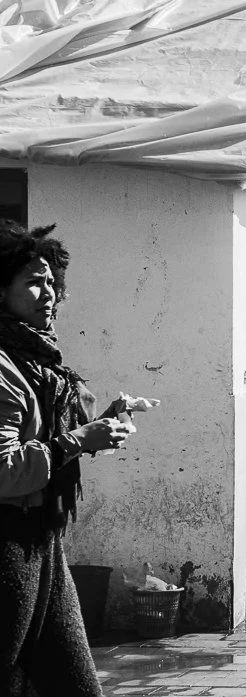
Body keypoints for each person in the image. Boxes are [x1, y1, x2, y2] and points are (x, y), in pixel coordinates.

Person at [0, 220, 137, 695]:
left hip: (42, 540)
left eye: (52, 283)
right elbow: (2, 471)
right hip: (7, 547)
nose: (49, 295)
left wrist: (106, 422)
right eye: (33, 283)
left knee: (73, 683)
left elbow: (54, 427)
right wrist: (76, 441)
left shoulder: (36, 360)